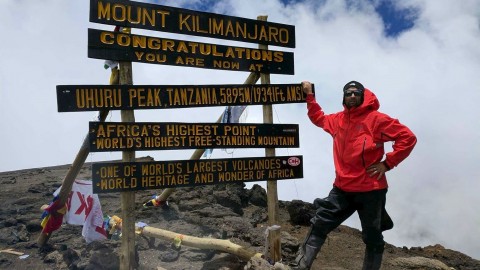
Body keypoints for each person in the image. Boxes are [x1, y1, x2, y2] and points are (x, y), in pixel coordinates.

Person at [291, 81, 417, 270]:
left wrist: (387, 163)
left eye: (356, 93)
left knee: (372, 235)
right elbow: (318, 118)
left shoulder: (376, 119)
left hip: (371, 191)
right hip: (342, 188)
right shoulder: (338, 120)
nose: (352, 96)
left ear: (362, 96)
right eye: (348, 93)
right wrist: (310, 97)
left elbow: (408, 137)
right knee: (320, 223)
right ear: (344, 97)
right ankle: (300, 266)